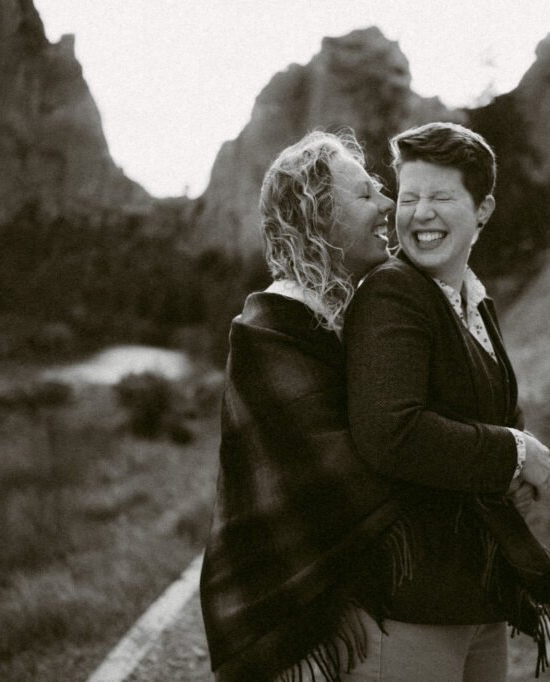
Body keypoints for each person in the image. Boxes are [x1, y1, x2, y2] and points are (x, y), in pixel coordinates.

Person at [343, 121, 550, 681]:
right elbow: (391, 433)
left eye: (442, 196)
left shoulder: (473, 300)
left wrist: (510, 455)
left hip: (475, 594)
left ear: (484, 209)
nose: (420, 213)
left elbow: (493, 410)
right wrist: (512, 453)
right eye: (410, 196)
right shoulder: (392, 292)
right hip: (410, 607)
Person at [199, 130, 412, 681]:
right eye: (366, 195)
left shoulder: (358, 317)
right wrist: (486, 463)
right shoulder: (268, 330)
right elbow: (347, 472)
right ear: (318, 216)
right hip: (282, 612)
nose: (388, 204)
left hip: (359, 610)